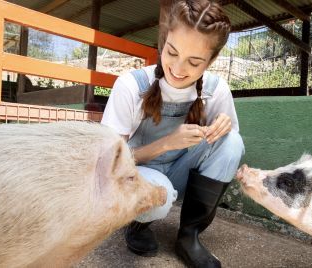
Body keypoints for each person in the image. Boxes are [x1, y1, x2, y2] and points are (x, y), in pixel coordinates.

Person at [101, 0, 244, 267]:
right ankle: (137, 224)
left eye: (194, 61)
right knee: (159, 199)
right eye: (172, 52)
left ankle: (189, 236)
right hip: (138, 172)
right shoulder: (132, 85)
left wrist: (223, 127)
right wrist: (167, 143)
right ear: (163, 42)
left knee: (232, 141)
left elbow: (226, 153)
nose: (178, 69)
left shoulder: (216, 89)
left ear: (211, 61)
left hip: (181, 169)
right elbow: (109, 162)